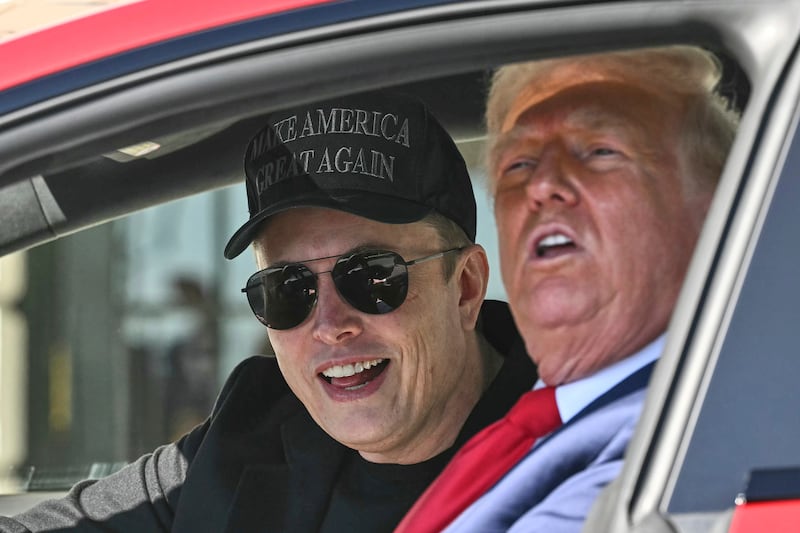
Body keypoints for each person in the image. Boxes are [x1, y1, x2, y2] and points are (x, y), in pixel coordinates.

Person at [1, 92, 537, 532]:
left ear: (465, 287)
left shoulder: (585, 450)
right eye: (287, 290)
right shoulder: (253, 427)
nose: (329, 325)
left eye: (373, 277)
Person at [396, 45, 741, 532]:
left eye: (601, 151)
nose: (542, 185)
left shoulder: (694, 444)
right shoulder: (549, 428)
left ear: (719, 212)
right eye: (518, 165)